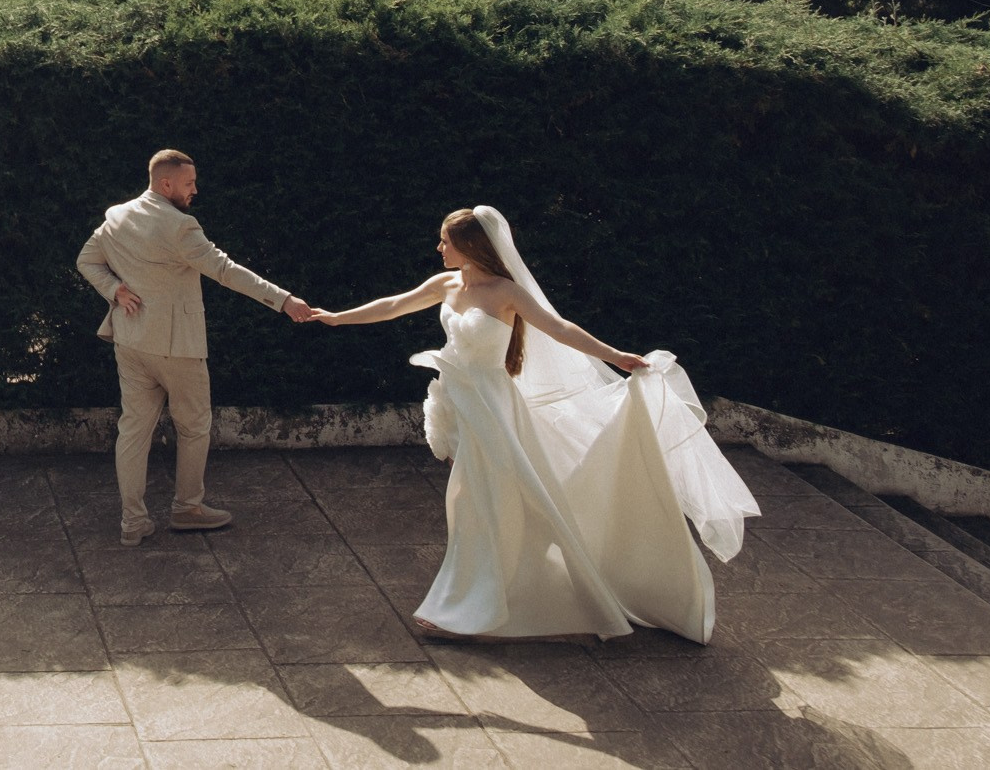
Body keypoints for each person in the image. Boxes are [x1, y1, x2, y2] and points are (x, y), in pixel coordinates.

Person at [309, 206, 759, 641]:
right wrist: (336, 318)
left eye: (445, 241)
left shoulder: (505, 292)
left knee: (484, 503)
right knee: (477, 503)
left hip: (492, 407)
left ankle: (467, 608)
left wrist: (617, 357)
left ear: (469, 246)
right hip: (459, 403)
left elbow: (560, 329)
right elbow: (392, 305)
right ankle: (475, 601)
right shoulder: (447, 283)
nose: (439, 247)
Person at [76, 149, 314, 546]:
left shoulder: (116, 215)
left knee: (133, 431)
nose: (195, 190)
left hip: (131, 340)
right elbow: (225, 270)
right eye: (189, 184)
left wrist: (114, 291)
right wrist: (284, 300)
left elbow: (87, 260)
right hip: (177, 347)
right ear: (165, 183)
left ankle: (132, 523)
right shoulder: (179, 226)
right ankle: (187, 508)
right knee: (194, 426)